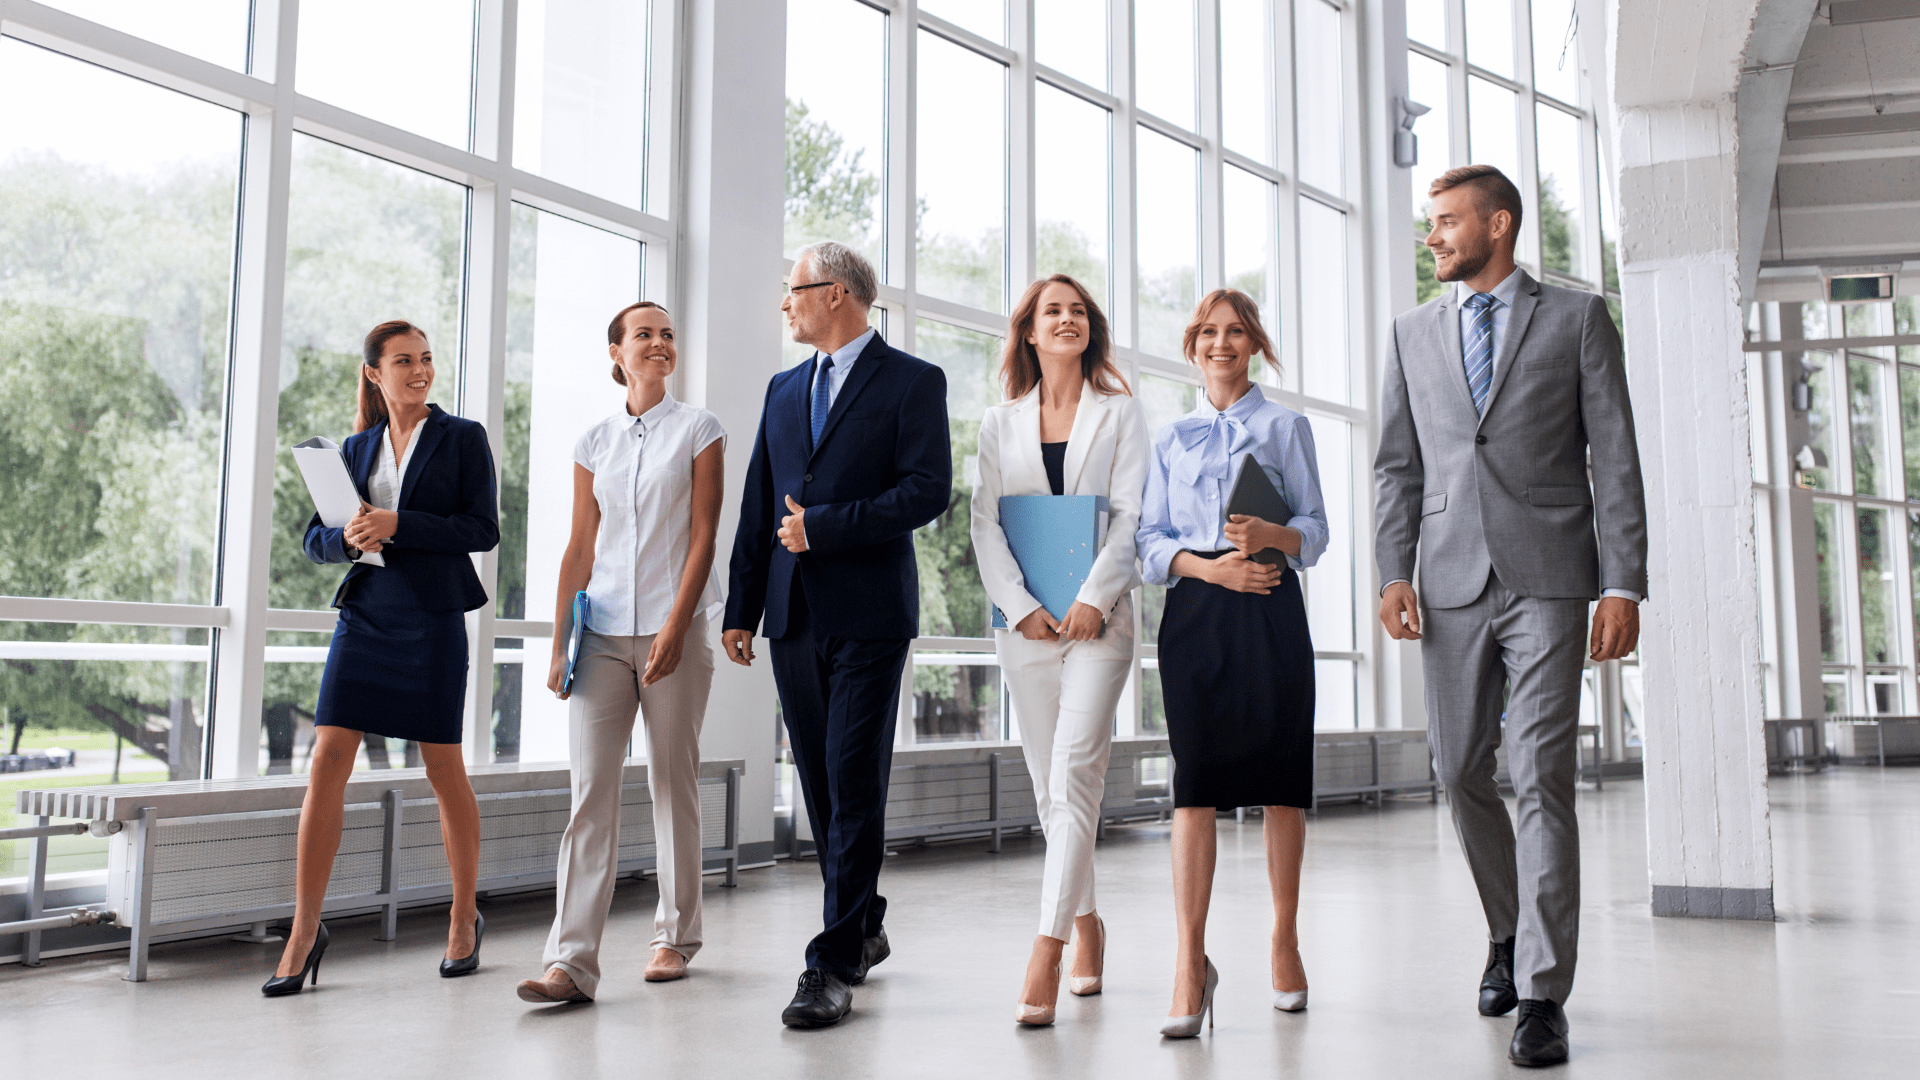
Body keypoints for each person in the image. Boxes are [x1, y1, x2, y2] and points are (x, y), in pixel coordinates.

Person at [1374, 165, 1646, 1068]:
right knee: (1458, 770)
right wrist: (1391, 569)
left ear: (1498, 225)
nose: (1433, 237)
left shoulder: (1575, 319)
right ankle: (1506, 927)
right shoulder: (1412, 333)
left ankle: (1541, 992)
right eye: (1430, 224)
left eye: (1446, 222)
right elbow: (1397, 466)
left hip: (1554, 577)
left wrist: (1624, 583)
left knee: (1540, 773)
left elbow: (1615, 455)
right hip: (1448, 579)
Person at [722, 240, 951, 1028]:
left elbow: (927, 491)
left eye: (794, 291)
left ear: (838, 294)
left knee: (852, 775)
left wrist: (827, 529)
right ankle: (865, 922)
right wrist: (739, 608)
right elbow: (760, 501)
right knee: (821, 781)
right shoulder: (784, 389)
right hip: (792, 615)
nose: (785, 304)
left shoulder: (914, 382)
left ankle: (830, 963)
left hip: (871, 614)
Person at [266, 320, 499, 997]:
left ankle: (462, 916)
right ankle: (305, 931)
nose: (420, 370)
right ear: (375, 372)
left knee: (442, 764)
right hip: (366, 614)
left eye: (426, 359)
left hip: (430, 618)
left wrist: (399, 524)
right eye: (405, 361)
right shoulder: (353, 447)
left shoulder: (462, 438)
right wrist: (348, 536)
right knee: (326, 759)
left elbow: (481, 528)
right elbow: (314, 540)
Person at [515, 301, 726, 1006]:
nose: (660, 343)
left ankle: (674, 937)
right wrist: (557, 644)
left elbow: (703, 537)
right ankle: (569, 964)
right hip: (600, 634)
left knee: (673, 784)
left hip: (677, 630)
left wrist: (674, 627)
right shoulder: (593, 441)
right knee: (590, 798)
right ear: (617, 353)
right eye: (645, 335)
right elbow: (580, 545)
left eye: (668, 334)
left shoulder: (700, 429)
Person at [1135, 289, 1329, 1037]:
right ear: (1193, 345)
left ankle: (1283, 939)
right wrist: (1212, 568)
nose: (1222, 343)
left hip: (1272, 605)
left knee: (1282, 780)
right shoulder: (1169, 435)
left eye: (1236, 332)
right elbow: (1148, 543)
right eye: (1209, 332)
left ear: (1254, 345)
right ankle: (1190, 960)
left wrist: (1271, 538)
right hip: (1198, 610)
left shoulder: (1287, 426)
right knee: (1197, 786)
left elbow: (1316, 530)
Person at [971, 275, 1146, 1026]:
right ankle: (1087, 925)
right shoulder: (997, 422)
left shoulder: (1122, 413)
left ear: (1089, 330)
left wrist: (1090, 598)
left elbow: (1135, 514)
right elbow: (985, 525)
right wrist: (1024, 608)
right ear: (1031, 333)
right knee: (1053, 789)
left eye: (1078, 311)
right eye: (1054, 312)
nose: (1066, 320)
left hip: (1099, 626)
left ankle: (1046, 949)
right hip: (1028, 631)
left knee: (1074, 770)